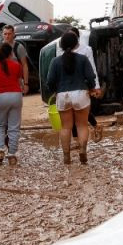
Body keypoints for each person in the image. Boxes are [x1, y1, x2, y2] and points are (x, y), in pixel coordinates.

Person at [45, 31, 98, 164]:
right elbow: (91, 77)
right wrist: (91, 88)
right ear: (76, 44)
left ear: (61, 45)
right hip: (81, 94)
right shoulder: (83, 59)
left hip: (63, 95)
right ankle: (82, 150)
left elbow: (50, 81)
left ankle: (66, 156)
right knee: (82, 125)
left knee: (65, 127)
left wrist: (55, 91)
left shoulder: (55, 61)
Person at [0, 42, 25, 164]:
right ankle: (12, 154)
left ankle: (0, 149)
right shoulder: (17, 65)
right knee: (14, 127)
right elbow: (20, 83)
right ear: (11, 53)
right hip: (16, 96)